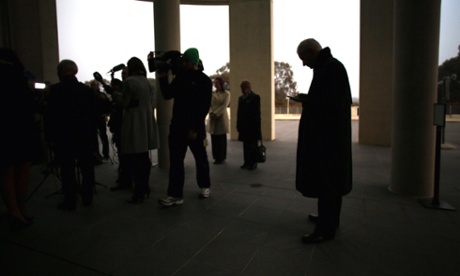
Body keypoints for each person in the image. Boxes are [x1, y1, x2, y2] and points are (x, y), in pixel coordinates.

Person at [295, 38, 352, 243]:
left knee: (328, 183)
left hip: (328, 142)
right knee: (329, 183)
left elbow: (331, 107)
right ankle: (329, 219)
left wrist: (309, 102)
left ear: (312, 51)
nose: (303, 64)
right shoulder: (328, 67)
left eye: (303, 58)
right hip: (329, 140)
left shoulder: (331, 68)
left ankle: (325, 230)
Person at [44, 59, 107, 210]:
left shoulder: (55, 90)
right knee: (86, 167)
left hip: (64, 137)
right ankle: (87, 197)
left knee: (67, 169)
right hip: (85, 136)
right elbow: (95, 113)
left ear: (62, 71)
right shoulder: (86, 91)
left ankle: (70, 200)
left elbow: (50, 117)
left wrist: (49, 138)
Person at [158, 47, 212, 206]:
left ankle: (205, 186)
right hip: (177, 128)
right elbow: (167, 94)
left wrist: (194, 129)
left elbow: (204, 108)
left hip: (194, 129)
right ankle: (175, 195)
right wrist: (162, 77)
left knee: (200, 158)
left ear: (192, 62)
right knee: (176, 162)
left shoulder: (204, 81)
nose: (183, 64)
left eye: (186, 61)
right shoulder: (181, 78)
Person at [111, 57, 158, 203]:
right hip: (146, 120)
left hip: (134, 121)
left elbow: (124, 103)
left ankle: (139, 191)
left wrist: (114, 94)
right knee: (143, 157)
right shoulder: (148, 82)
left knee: (134, 158)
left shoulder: (129, 82)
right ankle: (145, 186)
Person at [0, 47, 36, 228]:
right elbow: (31, 104)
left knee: (7, 172)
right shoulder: (21, 77)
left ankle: (13, 211)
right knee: (22, 170)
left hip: (4, 129)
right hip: (23, 128)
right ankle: (21, 209)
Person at [236, 80, 261, 170]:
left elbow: (257, 114)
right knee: (245, 145)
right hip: (244, 126)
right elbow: (239, 113)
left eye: (244, 88)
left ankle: (253, 162)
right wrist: (238, 125)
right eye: (241, 88)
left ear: (248, 88)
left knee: (253, 145)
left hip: (252, 126)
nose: (242, 90)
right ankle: (246, 162)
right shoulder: (241, 98)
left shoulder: (255, 97)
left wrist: (257, 128)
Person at [207, 77, 230, 164]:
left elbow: (224, 106)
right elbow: (209, 105)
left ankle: (221, 157)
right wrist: (211, 113)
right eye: (214, 83)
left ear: (221, 84)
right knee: (214, 139)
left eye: (217, 83)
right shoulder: (211, 94)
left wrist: (216, 114)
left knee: (221, 139)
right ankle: (216, 157)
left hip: (221, 118)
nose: (215, 84)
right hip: (212, 117)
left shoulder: (227, 94)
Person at [90, 80, 110, 162]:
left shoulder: (102, 95)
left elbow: (107, 105)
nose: (94, 87)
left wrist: (105, 114)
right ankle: (96, 155)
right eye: (93, 85)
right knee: (93, 138)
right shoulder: (89, 95)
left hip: (100, 117)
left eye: (95, 85)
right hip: (92, 118)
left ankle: (106, 154)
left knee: (103, 136)